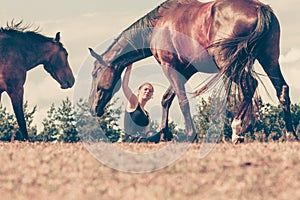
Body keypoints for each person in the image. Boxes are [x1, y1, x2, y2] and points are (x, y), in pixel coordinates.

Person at [122, 65, 162, 143]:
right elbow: (125, 86)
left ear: (151, 96)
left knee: (166, 133)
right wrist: (129, 68)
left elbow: (147, 133)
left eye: (150, 91)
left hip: (143, 141)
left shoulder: (147, 114)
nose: (147, 92)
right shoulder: (134, 103)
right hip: (131, 140)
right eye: (145, 89)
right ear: (139, 91)